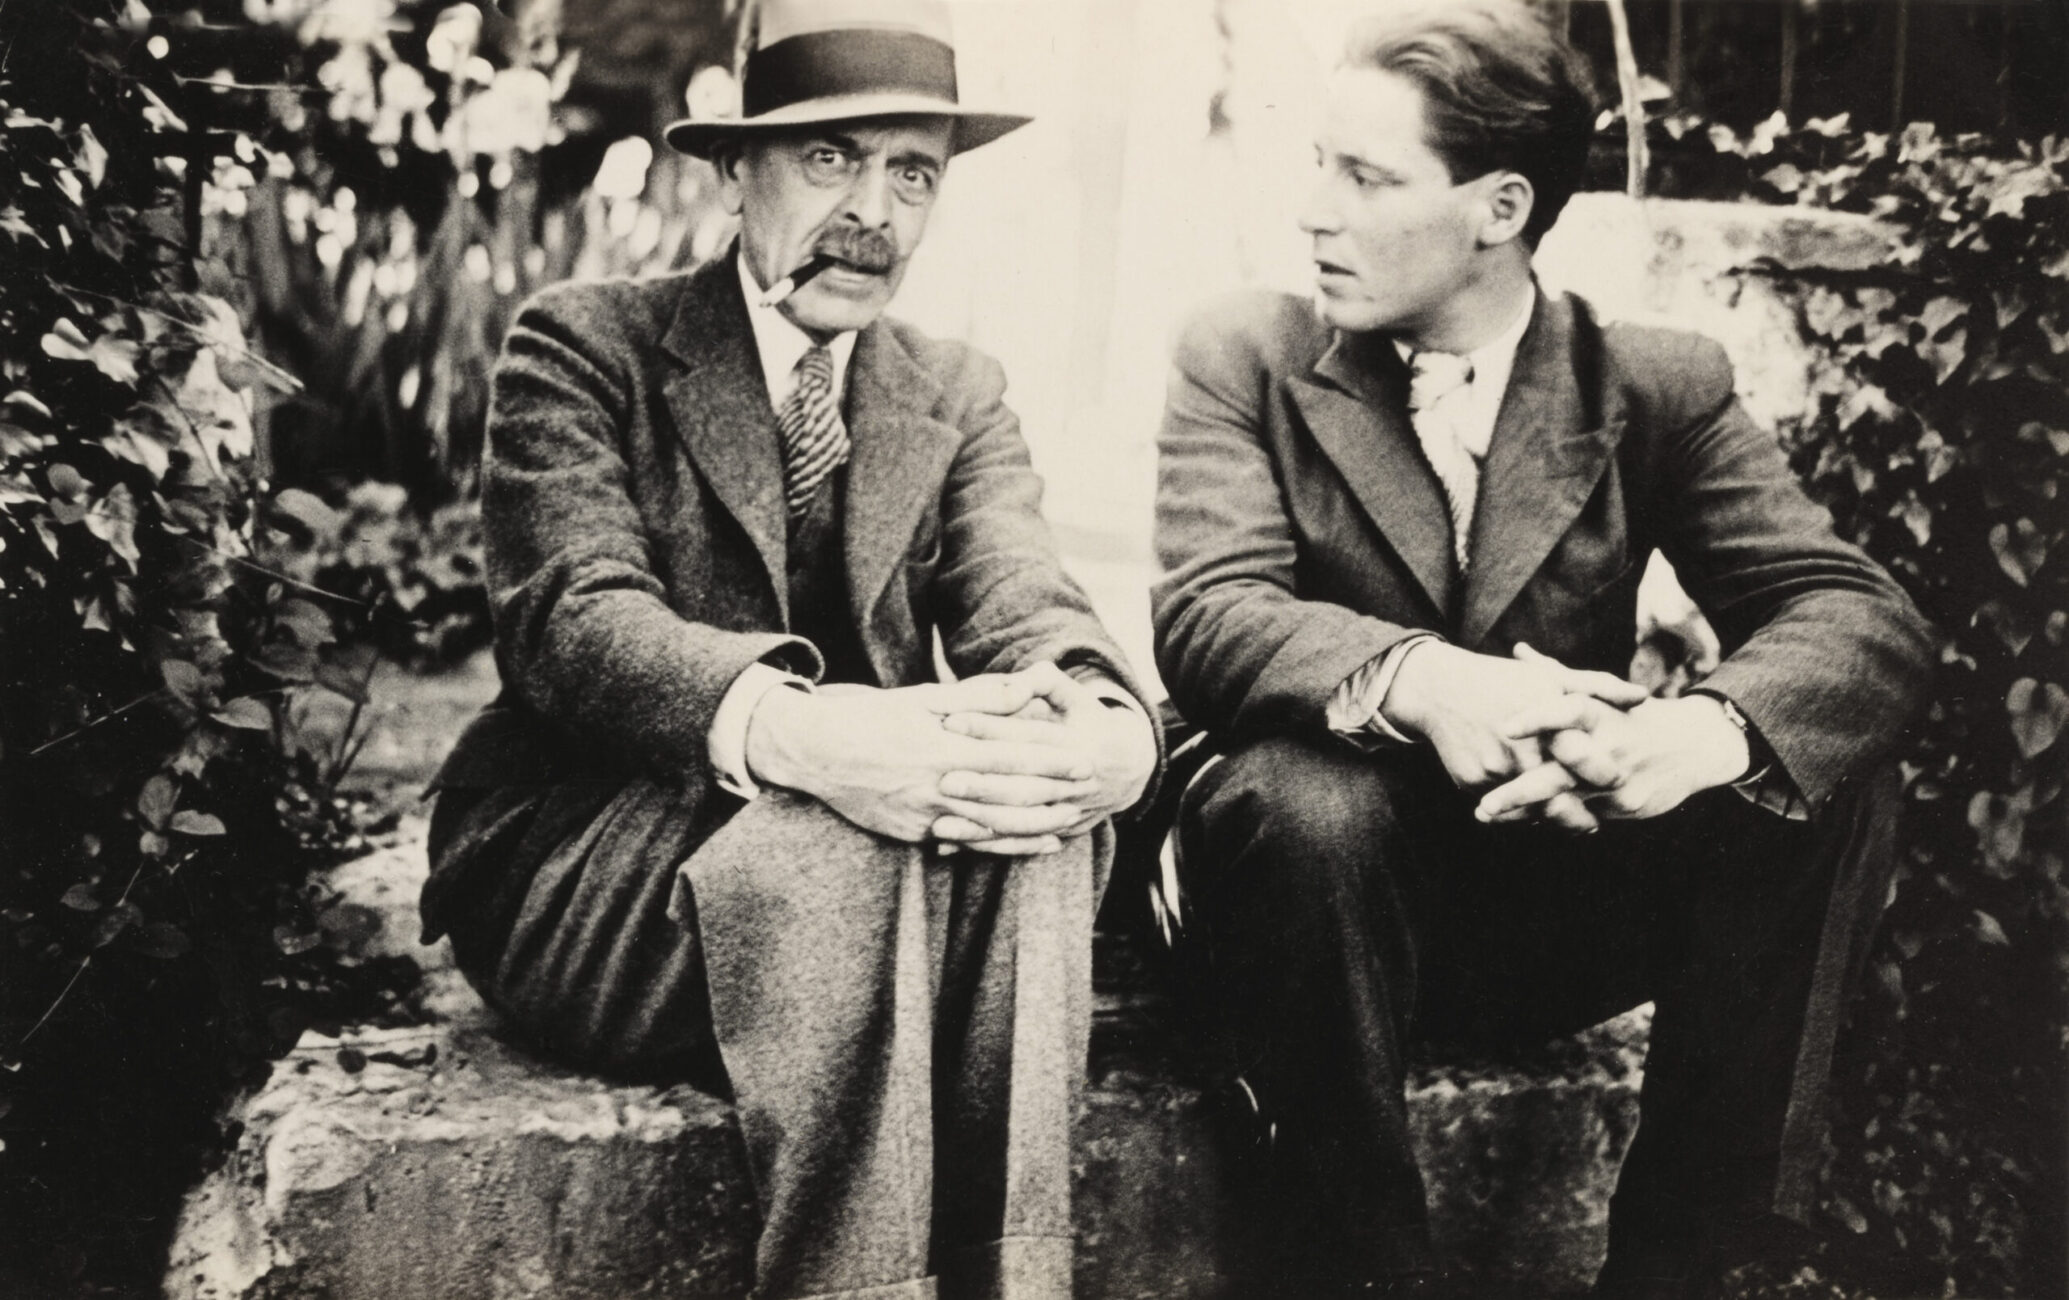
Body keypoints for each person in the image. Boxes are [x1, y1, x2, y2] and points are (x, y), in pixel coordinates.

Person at [1149, 3, 1932, 1296]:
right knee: (1311, 802)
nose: (1314, 213)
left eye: (1365, 177)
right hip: (1297, 900)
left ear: (1498, 209)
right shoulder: (1247, 354)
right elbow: (1210, 616)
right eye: (1318, 165)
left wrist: (1685, 736)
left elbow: (1859, 619)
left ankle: (1690, 1263)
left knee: (1812, 768)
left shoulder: (1646, 386)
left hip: (1524, 887)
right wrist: (1425, 683)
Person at [419, 3, 1161, 1298]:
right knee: (840, 831)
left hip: (865, 882)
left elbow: (1029, 606)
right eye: (831, 159)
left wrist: (1103, 736)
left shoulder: (953, 388)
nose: (872, 210)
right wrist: (818, 739)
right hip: (598, 866)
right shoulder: (586, 343)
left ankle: (1013, 1283)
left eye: (910, 173)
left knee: (1036, 807)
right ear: (735, 171)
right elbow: (576, 623)